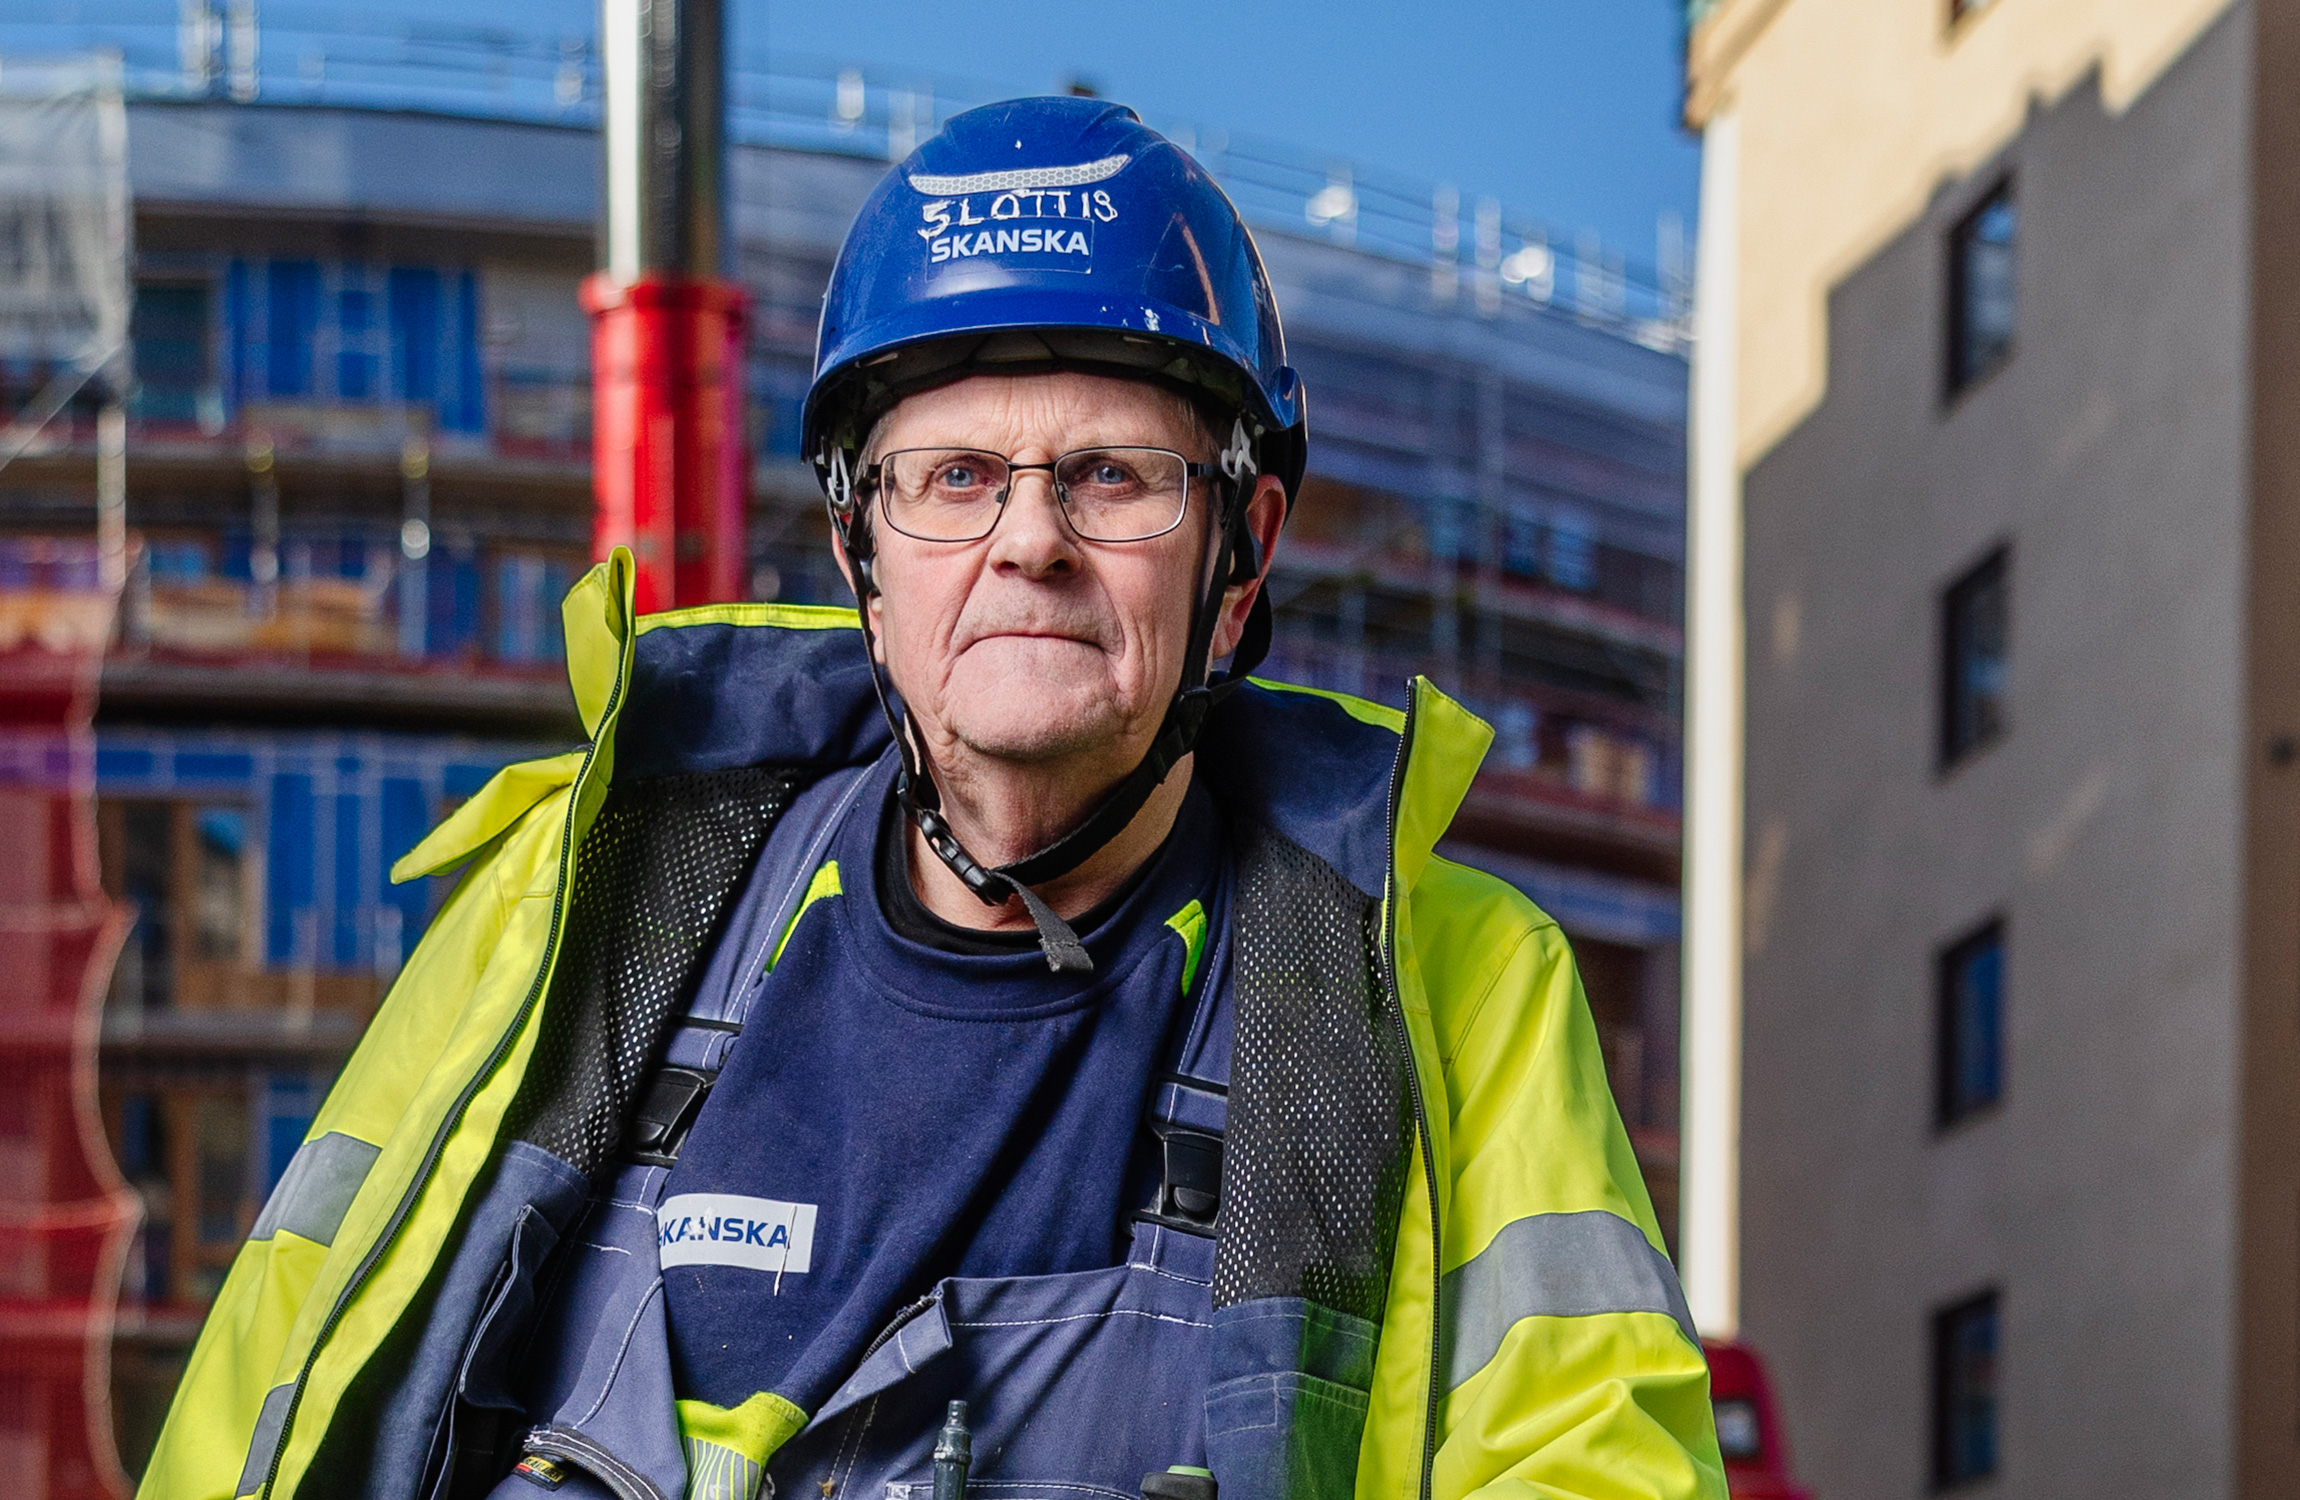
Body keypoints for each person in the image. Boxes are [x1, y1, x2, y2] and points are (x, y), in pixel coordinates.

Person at [140, 98, 1724, 1500]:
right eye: (954, 479)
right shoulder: (591, 915)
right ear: (862, 563)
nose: (1026, 541)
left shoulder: (1443, 986)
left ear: (1238, 564)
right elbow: (271, 1413)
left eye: (1114, 475)